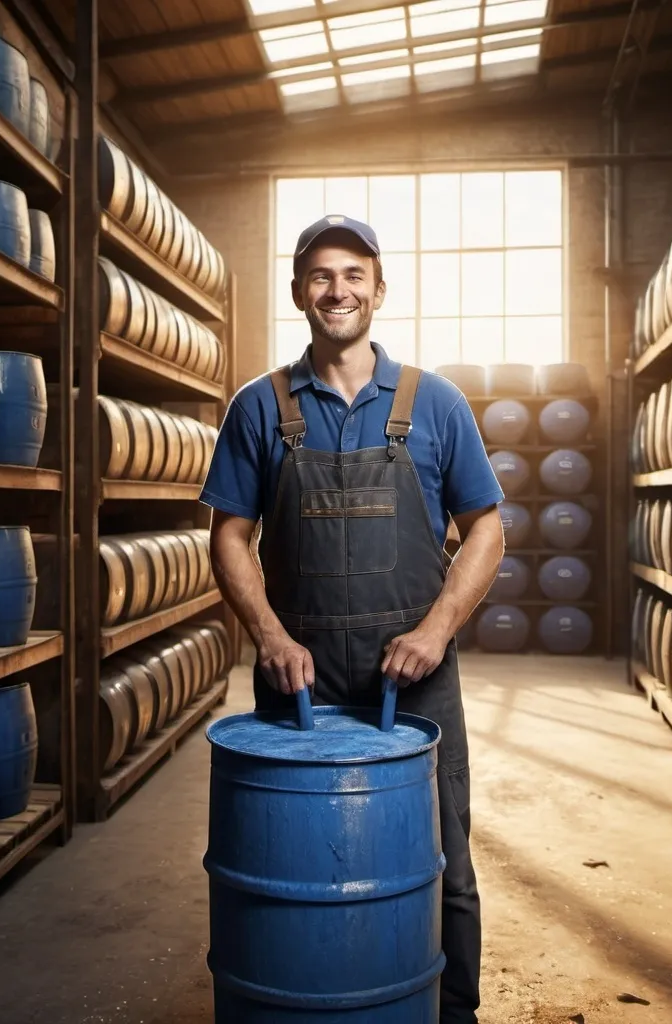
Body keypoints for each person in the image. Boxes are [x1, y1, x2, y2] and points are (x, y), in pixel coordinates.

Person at [199, 213, 505, 1024]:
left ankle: (453, 1012)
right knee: (295, 869)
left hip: (416, 679)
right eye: (322, 276)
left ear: (379, 287)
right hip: (296, 678)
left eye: (354, 275)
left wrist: (436, 630)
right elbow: (228, 533)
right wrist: (267, 634)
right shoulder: (259, 408)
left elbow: (488, 527)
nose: (338, 290)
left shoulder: (433, 403)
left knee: (444, 861)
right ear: (300, 289)